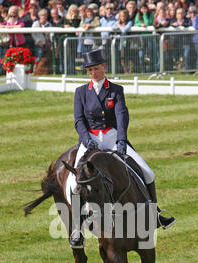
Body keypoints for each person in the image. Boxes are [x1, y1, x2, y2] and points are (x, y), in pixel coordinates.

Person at [69, 48, 175, 247]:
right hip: (89, 139)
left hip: (112, 136)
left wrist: (122, 140)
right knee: (76, 184)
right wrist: (85, 139)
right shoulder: (81, 92)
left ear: (104, 67)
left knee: (148, 172)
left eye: (97, 68)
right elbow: (78, 120)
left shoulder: (116, 90)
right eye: (90, 70)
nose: (94, 72)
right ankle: (77, 228)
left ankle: (156, 214)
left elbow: (121, 116)